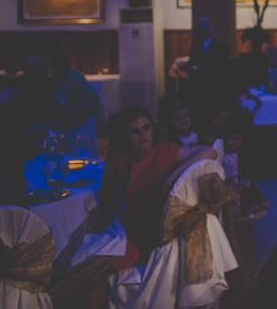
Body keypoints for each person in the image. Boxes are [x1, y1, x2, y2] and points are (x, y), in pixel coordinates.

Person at [79, 105, 217, 307]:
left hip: (148, 233)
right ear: (123, 135)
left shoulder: (164, 153)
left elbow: (209, 151)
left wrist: (171, 178)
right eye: (135, 131)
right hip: (125, 227)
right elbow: (106, 196)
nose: (143, 135)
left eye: (146, 128)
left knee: (95, 275)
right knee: (83, 255)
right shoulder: (117, 156)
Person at [219, 111, 266, 308]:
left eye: (240, 139)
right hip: (228, 198)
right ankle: (236, 268)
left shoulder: (241, 156)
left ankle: (246, 267)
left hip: (239, 198)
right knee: (231, 235)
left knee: (243, 233)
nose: (236, 143)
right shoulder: (222, 155)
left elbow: (244, 177)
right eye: (233, 139)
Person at [0, 56, 68, 158]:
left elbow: (8, 109)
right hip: (36, 138)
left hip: (31, 138)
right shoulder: (48, 85)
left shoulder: (24, 85)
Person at [185, 17, 233, 114]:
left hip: (214, 92)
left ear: (208, 31)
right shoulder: (195, 47)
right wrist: (194, 68)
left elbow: (225, 72)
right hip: (197, 91)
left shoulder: (221, 47)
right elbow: (191, 65)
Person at [50, 50, 101, 130]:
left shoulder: (76, 78)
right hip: (57, 123)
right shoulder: (53, 79)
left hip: (74, 124)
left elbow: (92, 98)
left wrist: (80, 113)